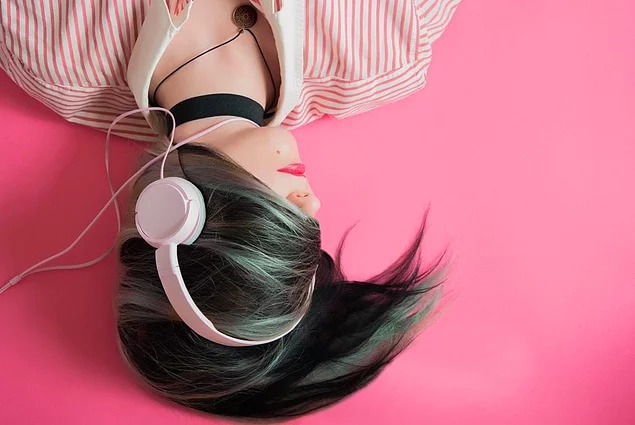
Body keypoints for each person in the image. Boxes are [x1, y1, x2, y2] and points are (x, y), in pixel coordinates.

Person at [0, 0, 460, 419]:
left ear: (173, 214)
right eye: (308, 238)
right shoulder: (390, 41)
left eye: (278, 226)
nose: (312, 204)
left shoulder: (48, 47)